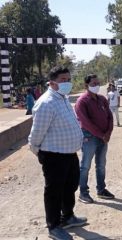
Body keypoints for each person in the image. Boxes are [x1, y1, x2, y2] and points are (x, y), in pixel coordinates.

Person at [28, 66, 86, 240]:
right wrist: (38, 151)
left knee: (70, 186)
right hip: (54, 155)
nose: (67, 83)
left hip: (69, 154)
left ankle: (67, 216)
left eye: (68, 79)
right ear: (52, 82)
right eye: (63, 80)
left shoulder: (62, 98)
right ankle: (53, 226)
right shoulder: (46, 103)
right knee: (54, 191)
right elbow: (37, 132)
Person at [75, 74, 115, 204]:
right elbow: (85, 123)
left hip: (103, 137)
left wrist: (108, 132)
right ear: (86, 86)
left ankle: (101, 189)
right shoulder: (82, 101)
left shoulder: (102, 99)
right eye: (93, 84)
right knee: (85, 166)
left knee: (101, 165)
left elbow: (109, 116)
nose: (96, 86)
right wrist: (101, 135)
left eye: (98, 83)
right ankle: (83, 193)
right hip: (90, 137)